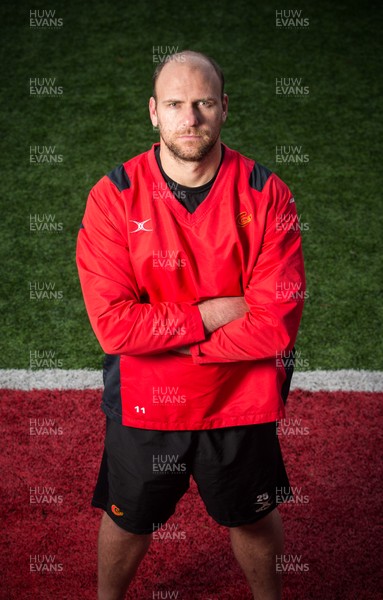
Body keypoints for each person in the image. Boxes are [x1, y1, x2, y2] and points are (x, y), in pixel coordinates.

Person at [76, 49, 305, 600]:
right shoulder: (114, 196)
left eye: (203, 103)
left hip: (238, 400)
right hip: (145, 403)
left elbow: (276, 325)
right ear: (154, 112)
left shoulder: (265, 192)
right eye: (176, 104)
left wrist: (173, 347)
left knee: (251, 518)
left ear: (224, 108)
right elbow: (113, 328)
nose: (191, 118)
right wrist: (213, 313)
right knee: (129, 519)